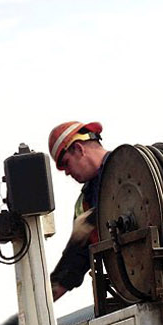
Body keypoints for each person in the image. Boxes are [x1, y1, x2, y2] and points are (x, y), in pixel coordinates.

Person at [46, 119, 108, 301]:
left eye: (66, 163)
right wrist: (43, 301)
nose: (66, 172)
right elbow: (75, 260)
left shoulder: (133, 167)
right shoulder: (84, 204)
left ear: (79, 149)